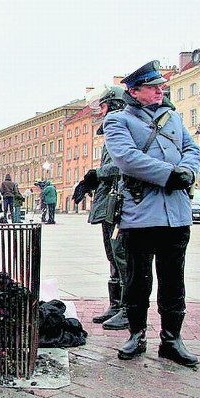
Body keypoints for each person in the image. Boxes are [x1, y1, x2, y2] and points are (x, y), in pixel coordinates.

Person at [104, 60, 200, 367]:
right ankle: (137, 335)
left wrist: (186, 170)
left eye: (161, 86)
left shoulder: (174, 117)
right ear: (135, 91)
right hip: (140, 213)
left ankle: (172, 340)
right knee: (137, 279)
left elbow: (191, 148)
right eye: (153, 87)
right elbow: (126, 158)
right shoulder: (118, 120)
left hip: (176, 213)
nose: (161, 90)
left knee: (174, 280)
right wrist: (168, 175)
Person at [75, 86, 129, 331]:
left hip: (121, 202)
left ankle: (127, 308)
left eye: (104, 107)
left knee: (122, 256)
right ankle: (116, 305)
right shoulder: (112, 133)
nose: (102, 112)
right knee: (112, 255)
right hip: (109, 201)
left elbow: (125, 164)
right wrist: (92, 180)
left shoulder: (127, 130)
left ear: (115, 105)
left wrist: (96, 175)